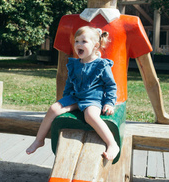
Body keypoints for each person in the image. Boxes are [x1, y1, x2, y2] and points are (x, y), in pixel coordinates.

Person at [26, 26, 119, 161]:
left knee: (90, 116)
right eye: (76, 41)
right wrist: (65, 100)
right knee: (53, 108)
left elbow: (110, 86)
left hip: (93, 99)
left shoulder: (101, 65)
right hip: (75, 97)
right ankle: (39, 140)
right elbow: (69, 84)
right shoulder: (74, 64)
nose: (78, 45)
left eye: (83, 41)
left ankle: (112, 144)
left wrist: (109, 103)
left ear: (95, 45)